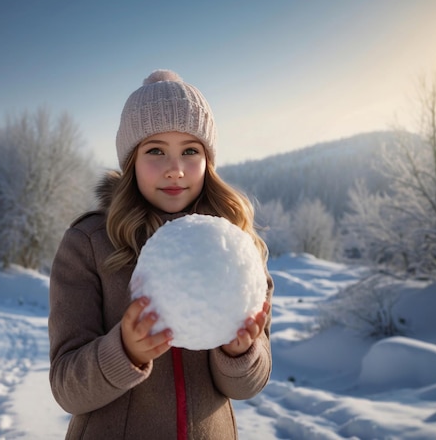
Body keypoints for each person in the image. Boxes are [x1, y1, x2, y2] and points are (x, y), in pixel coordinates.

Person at [49, 69, 273, 439]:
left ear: (208, 160)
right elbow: (66, 387)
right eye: (155, 151)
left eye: (190, 151)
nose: (175, 169)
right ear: (131, 161)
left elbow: (248, 386)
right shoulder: (89, 243)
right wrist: (125, 351)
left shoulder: (234, 248)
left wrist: (240, 353)